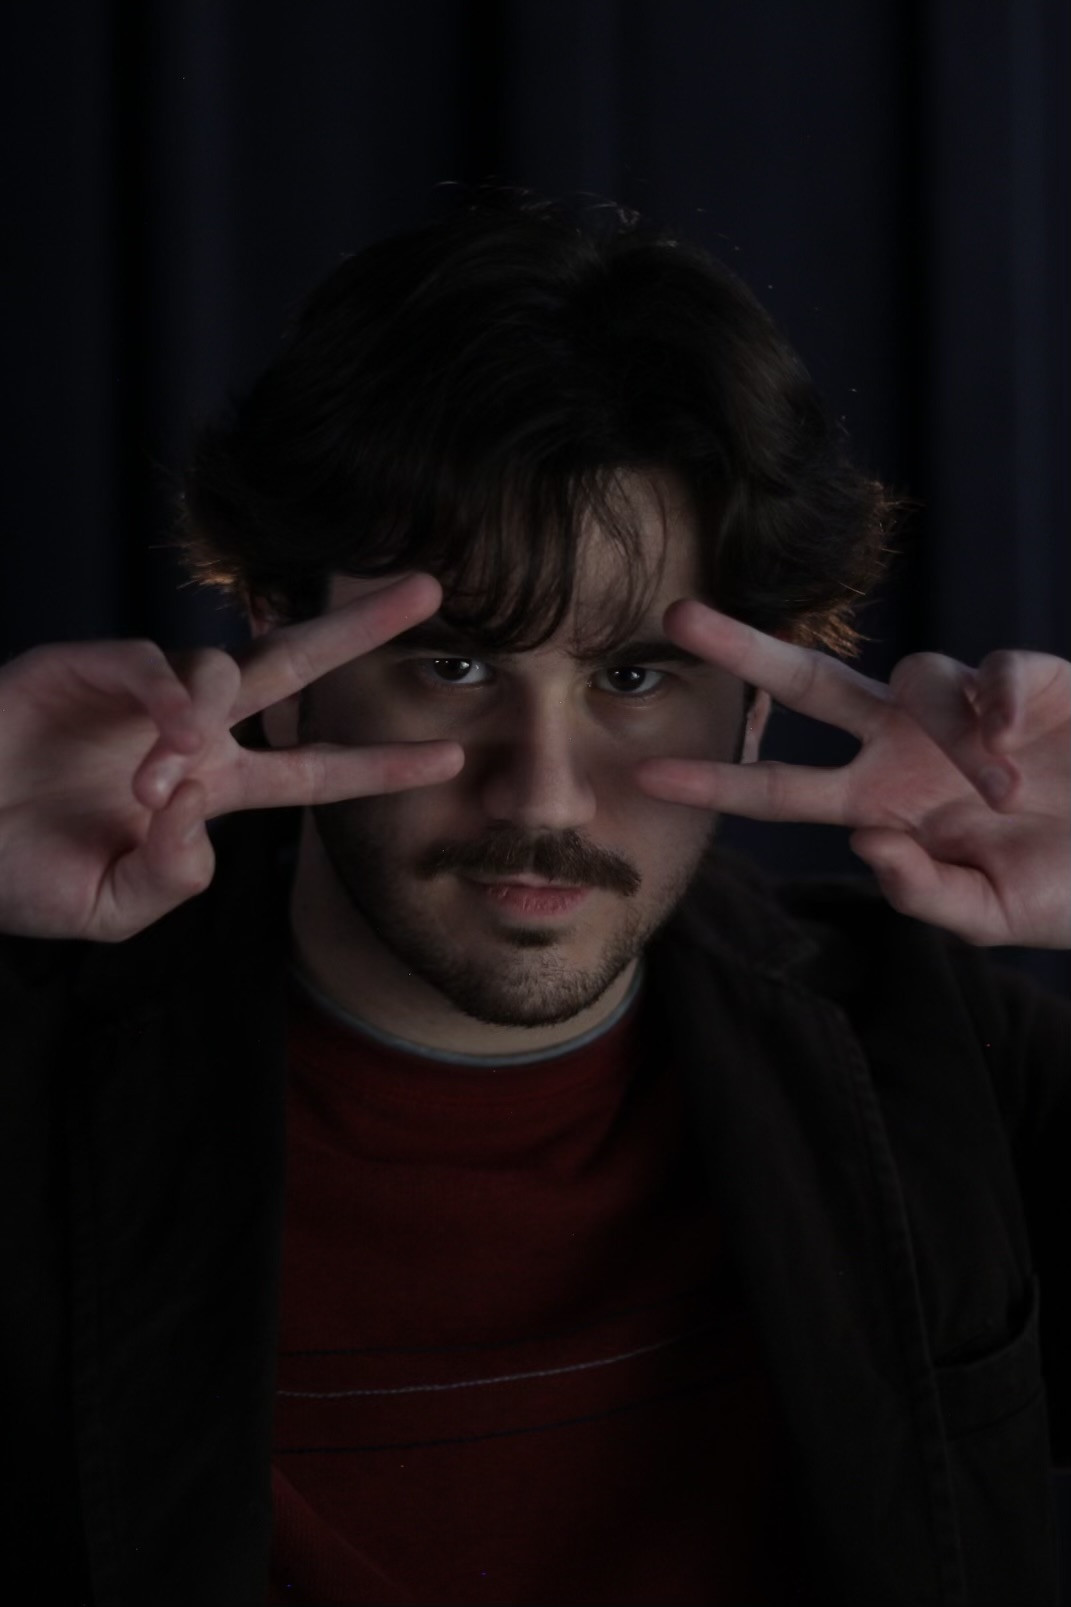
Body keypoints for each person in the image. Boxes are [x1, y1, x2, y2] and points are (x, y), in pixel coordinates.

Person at [1, 189, 1067, 1607]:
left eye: (633, 677)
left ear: (758, 703)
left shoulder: (945, 1063)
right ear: (282, 658)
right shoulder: (34, 1085)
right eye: (453, 665)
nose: (544, 796)